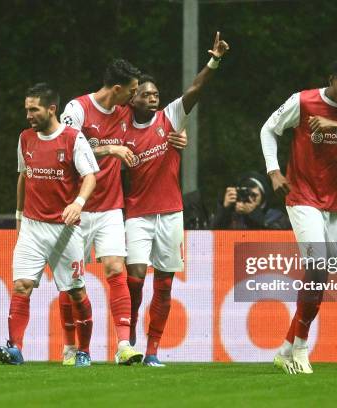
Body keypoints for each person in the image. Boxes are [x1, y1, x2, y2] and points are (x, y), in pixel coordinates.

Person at [260, 56, 337, 374]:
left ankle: (286, 349)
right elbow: (268, 130)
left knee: (322, 273)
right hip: (302, 197)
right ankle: (301, 348)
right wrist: (273, 171)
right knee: (317, 267)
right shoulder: (302, 101)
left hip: (334, 205)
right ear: (331, 79)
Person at [124, 32, 229, 366]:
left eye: (155, 93)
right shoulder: (120, 128)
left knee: (165, 284)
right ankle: (127, 340)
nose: (153, 97)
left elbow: (194, 91)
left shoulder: (170, 118)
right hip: (136, 214)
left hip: (170, 214)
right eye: (145, 94)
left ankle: (153, 351)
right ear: (133, 99)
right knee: (135, 278)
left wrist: (213, 61)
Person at [0, 83, 99, 365]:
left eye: (34, 109)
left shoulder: (73, 139)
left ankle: (84, 351)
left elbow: (90, 176)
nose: (28, 114)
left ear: (51, 109)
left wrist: (78, 203)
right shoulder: (25, 138)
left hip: (65, 230)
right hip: (31, 226)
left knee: (76, 292)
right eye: (26, 109)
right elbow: (23, 176)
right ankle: (14, 348)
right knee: (21, 286)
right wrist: (18, 215)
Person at [57, 59, 143, 366]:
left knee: (115, 269)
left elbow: (154, 126)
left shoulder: (125, 112)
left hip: (110, 207)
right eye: (131, 91)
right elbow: (63, 148)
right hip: (76, 207)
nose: (135, 97)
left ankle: (123, 346)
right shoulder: (77, 108)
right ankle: (70, 347)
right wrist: (110, 149)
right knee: (72, 281)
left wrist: (176, 139)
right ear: (117, 89)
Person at [212, 171, 289, 230]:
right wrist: (224, 210)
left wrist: (255, 215)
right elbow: (209, 237)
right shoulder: (231, 217)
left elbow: (277, 241)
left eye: (253, 195)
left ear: (263, 197)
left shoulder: (276, 217)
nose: (248, 198)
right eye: (244, 193)